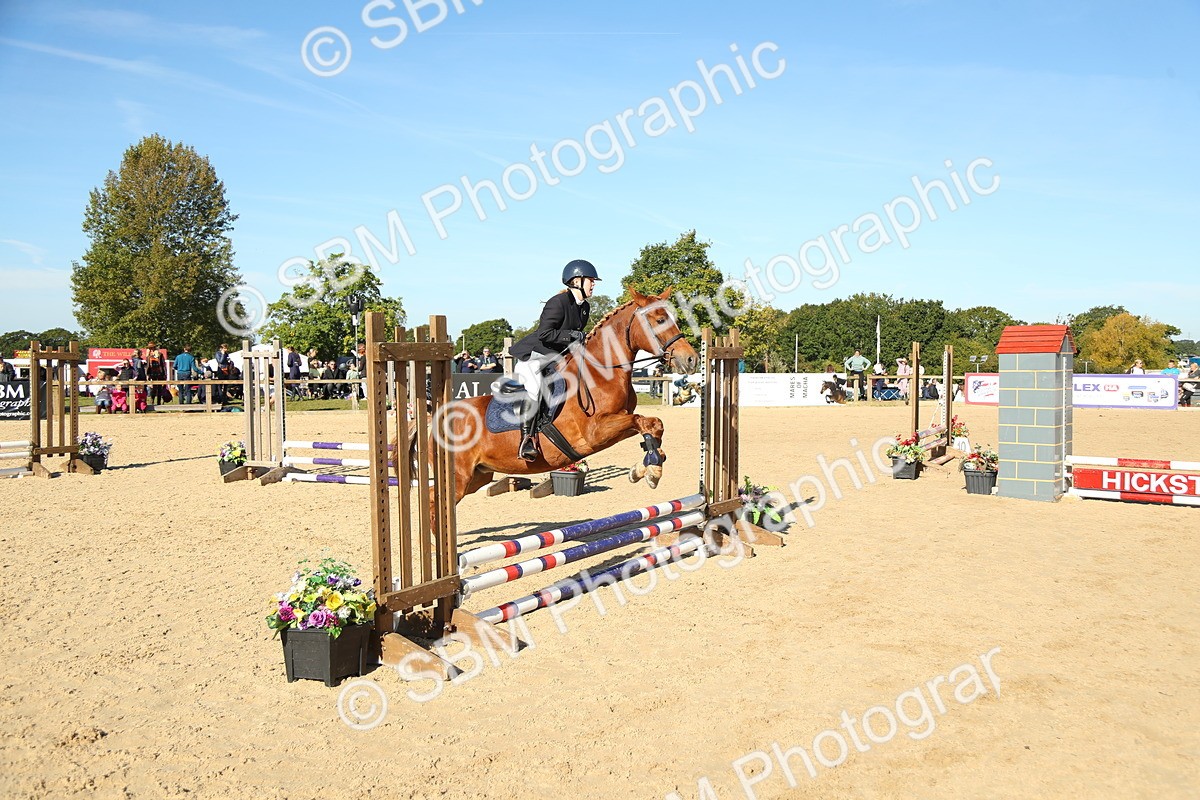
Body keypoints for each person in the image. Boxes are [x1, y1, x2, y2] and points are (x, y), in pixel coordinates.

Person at [509, 258, 598, 461]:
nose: (593, 284)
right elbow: (544, 334)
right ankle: (526, 440)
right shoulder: (557, 302)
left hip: (557, 358)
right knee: (535, 387)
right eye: (590, 280)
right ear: (576, 281)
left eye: (593, 281)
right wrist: (572, 336)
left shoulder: (584, 308)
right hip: (535, 356)